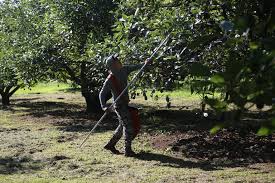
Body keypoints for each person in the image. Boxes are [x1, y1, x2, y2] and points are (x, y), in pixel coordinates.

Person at [99, 55, 150, 157]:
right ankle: (128, 150)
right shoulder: (110, 80)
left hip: (125, 103)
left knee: (122, 126)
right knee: (128, 126)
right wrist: (103, 106)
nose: (119, 61)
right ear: (112, 65)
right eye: (117, 61)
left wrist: (145, 63)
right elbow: (102, 93)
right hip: (119, 106)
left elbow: (137, 66)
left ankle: (110, 145)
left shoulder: (124, 70)